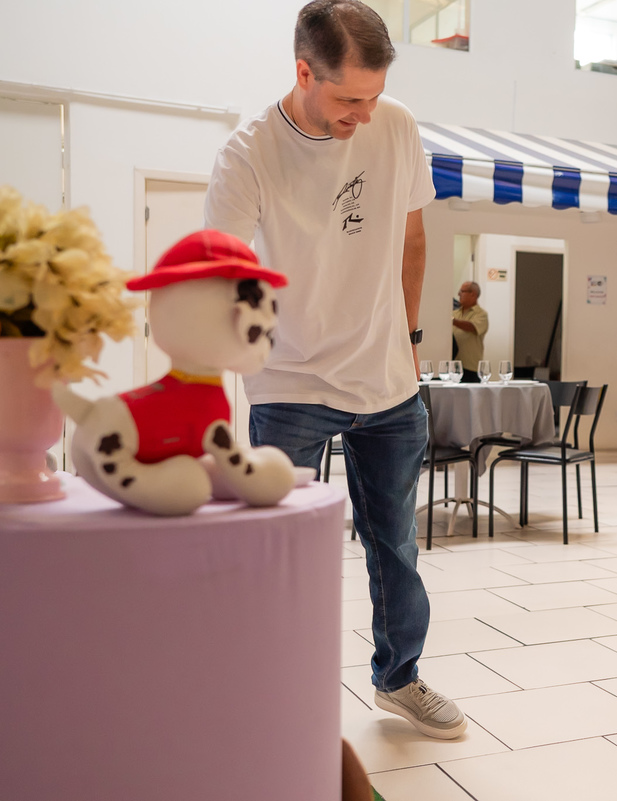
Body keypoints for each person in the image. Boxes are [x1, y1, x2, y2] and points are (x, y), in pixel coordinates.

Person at [202, 0, 466, 739]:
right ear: (303, 73)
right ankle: (259, 688)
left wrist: (409, 340)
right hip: (290, 384)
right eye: (349, 99)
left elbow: (414, 239)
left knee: (395, 545)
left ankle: (399, 678)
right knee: (271, 548)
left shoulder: (397, 126)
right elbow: (219, 270)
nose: (364, 115)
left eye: (374, 97)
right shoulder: (249, 153)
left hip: (388, 382)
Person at [451, 281, 488, 382]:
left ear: (473, 294)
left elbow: (472, 327)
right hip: (453, 367)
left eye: (462, 291)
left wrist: (452, 321)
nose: (459, 294)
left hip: (471, 368)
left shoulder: (481, 314)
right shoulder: (454, 313)